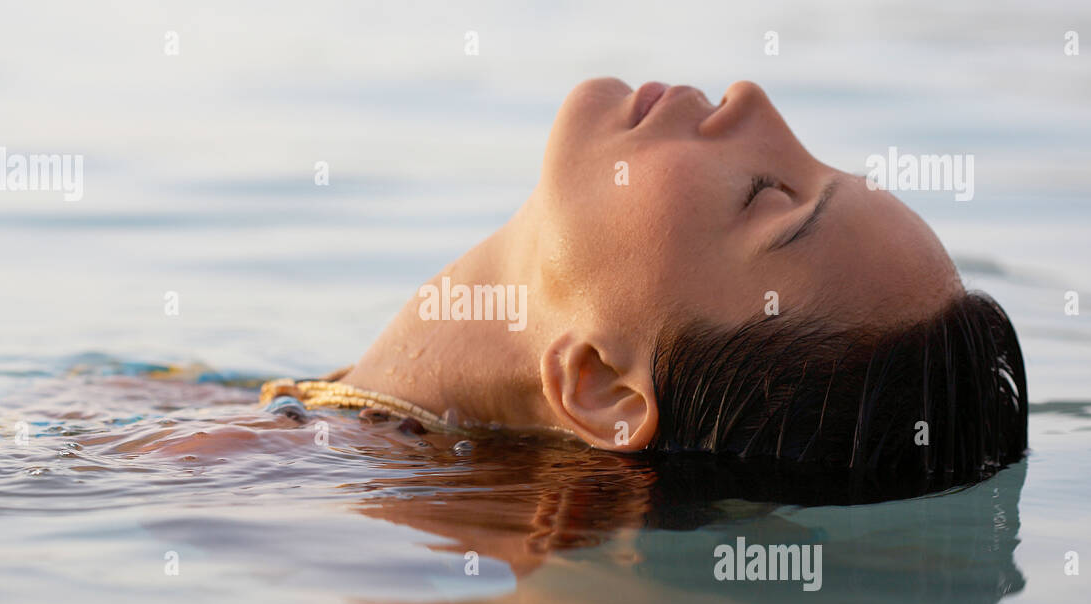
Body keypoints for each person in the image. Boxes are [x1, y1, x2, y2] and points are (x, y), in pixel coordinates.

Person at [273, 78, 1028, 498]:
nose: (752, 99)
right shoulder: (315, 451)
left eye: (765, 195)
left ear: (605, 389)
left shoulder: (256, 477)